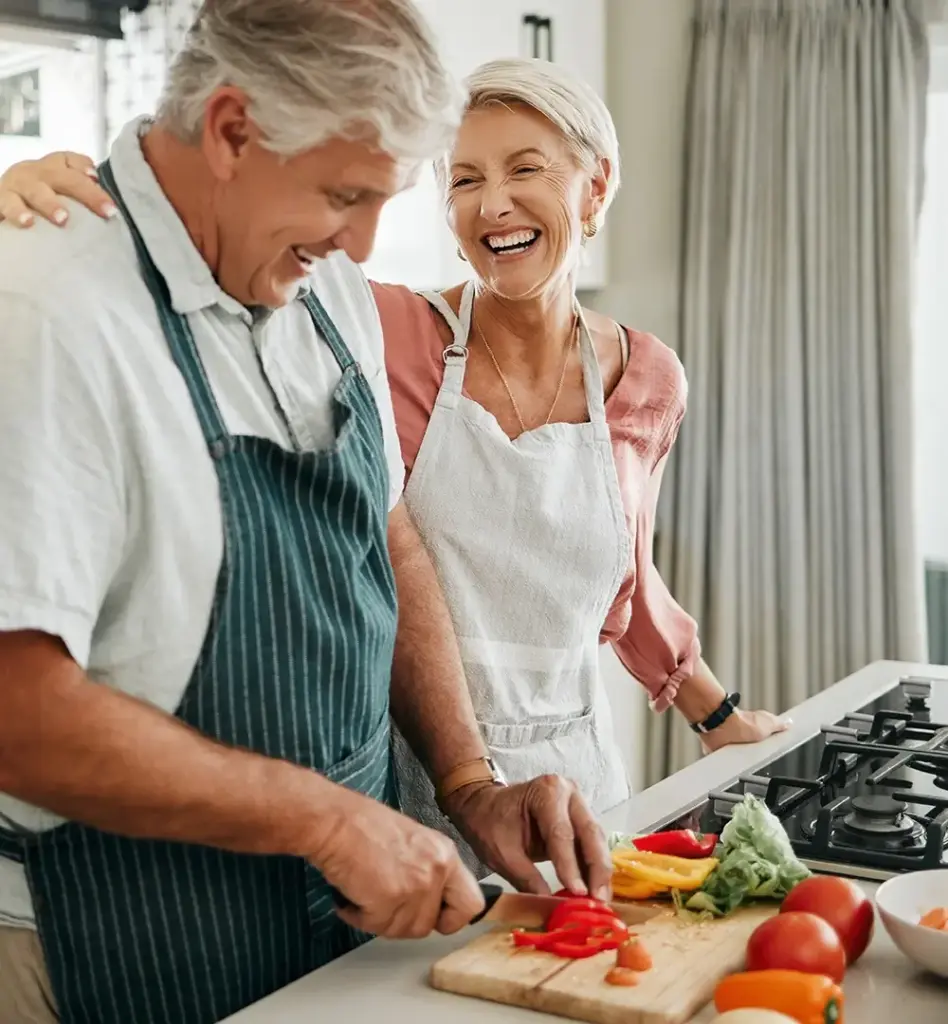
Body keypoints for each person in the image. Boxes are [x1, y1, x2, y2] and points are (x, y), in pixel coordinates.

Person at [0, 4, 615, 1024]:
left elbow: (386, 533)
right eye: (342, 194)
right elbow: (18, 711)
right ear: (233, 130)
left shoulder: (323, 283)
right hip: (105, 933)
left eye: (382, 199)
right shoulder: (47, 313)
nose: (362, 242)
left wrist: (468, 786)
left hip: (324, 916)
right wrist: (323, 820)